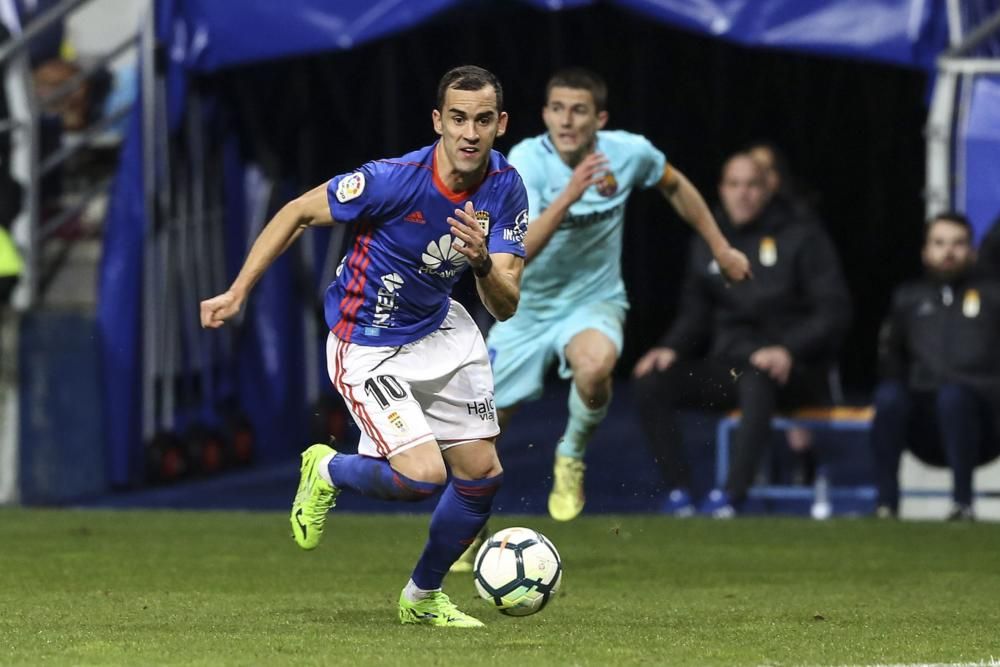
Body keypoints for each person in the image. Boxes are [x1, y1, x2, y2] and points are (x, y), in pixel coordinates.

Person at [200, 66, 527, 628]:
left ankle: (421, 598)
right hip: (367, 342)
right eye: (457, 119)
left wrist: (478, 264)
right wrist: (238, 290)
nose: (469, 133)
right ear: (437, 122)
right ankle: (327, 470)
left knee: (480, 476)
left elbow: (505, 304)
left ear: (500, 124)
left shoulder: (507, 185)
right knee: (423, 477)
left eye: (481, 120)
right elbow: (296, 212)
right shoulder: (391, 179)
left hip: (439, 328)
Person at [489, 67, 748, 520]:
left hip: (592, 300)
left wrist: (721, 246)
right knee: (484, 432)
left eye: (579, 111)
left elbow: (675, 184)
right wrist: (570, 194)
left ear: (600, 119)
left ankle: (571, 454)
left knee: (595, 369)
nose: (567, 121)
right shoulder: (526, 161)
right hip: (523, 310)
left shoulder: (628, 153)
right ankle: (467, 531)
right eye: (557, 109)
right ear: (545, 115)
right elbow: (521, 247)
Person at [632, 152, 851, 517]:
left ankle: (732, 496)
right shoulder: (710, 239)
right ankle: (679, 495)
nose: (742, 194)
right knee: (650, 381)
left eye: (752, 185)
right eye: (734, 184)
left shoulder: (801, 235)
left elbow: (834, 311)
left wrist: (788, 349)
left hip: (791, 372)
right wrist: (669, 347)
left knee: (756, 377)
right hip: (729, 367)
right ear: (721, 189)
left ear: (769, 189)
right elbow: (695, 313)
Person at [871, 212, 1000, 521]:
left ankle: (962, 504)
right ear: (925, 251)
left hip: (983, 423)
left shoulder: (994, 297)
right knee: (888, 397)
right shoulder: (908, 298)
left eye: (958, 244)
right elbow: (891, 358)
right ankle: (886, 504)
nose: (948, 252)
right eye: (940, 243)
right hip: (924, 427)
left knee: (954, 397)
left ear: (973, 250)